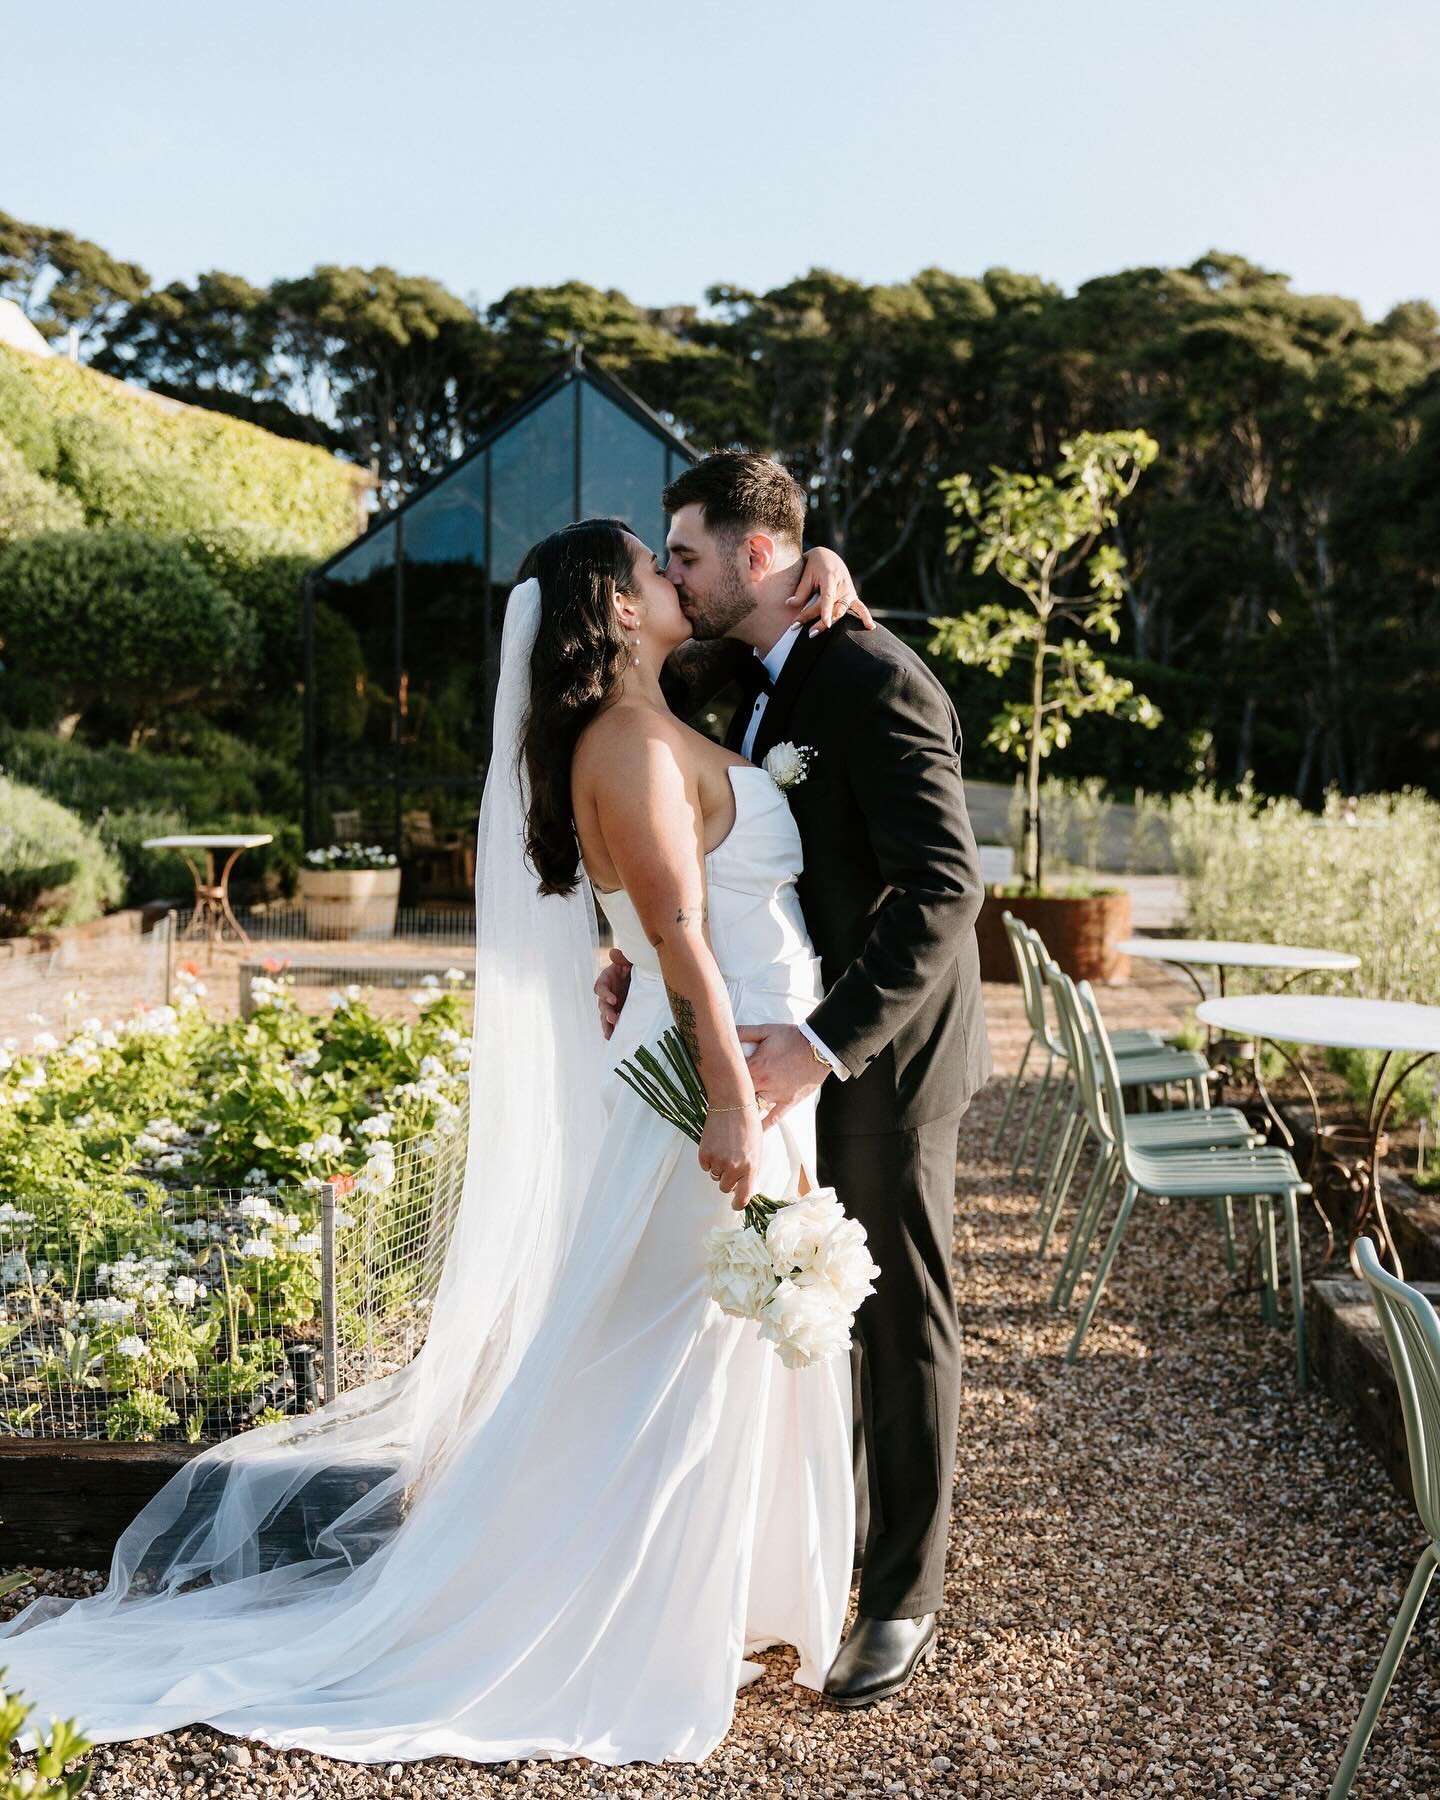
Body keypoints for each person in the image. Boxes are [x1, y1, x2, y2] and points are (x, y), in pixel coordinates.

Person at [0, 520, 866, 1768]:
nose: (679, 578)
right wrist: (733, 1102)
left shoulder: (656, 719)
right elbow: (680, 942)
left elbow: (651, 920)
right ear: (619, 611)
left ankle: (712, 1588)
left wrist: (823, 571)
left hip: (730, 1073)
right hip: (703, 1081)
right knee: (659, 1350)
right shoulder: (623, 741)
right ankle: (617, 1607)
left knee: (683, 1341)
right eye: (655, 566)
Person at [598, 452, 990, 1707]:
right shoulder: (734, 668)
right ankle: (784, 1562)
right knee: (796, 1297)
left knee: (896, 1311)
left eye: (691, 553)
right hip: (782, 1047)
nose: (672, 573)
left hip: (881, 1050)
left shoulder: (872, 674)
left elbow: (945, 886)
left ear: (756, 558)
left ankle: (901, 1596)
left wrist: (826, 1043)